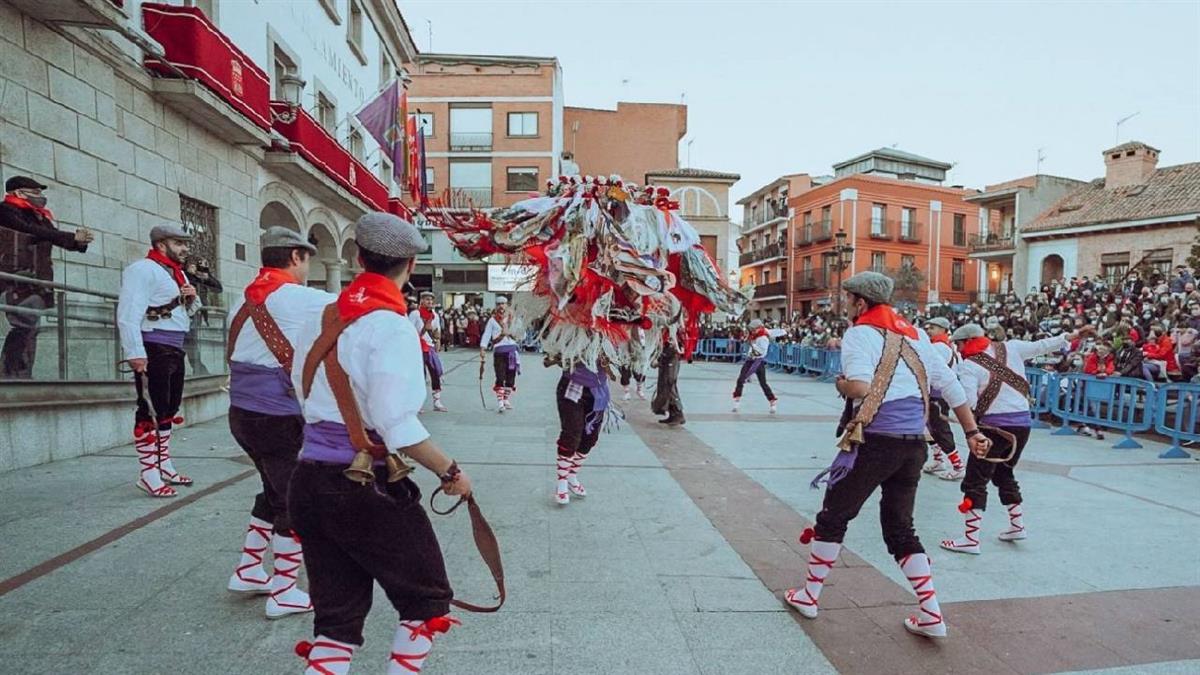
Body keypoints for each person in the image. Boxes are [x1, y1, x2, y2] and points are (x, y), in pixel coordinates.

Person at [289, 212, 472, 674]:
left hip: (308, 481)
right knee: (426, 598)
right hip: (362, 485)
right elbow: (398, 427)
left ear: (356, 258)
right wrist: (451, 472)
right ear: (410, 265)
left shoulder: (323, 314)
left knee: (335, 622)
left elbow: (300, 385)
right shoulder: (392, 327)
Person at [784, 272, 989, 639]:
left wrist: (842, 384)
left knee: (834, 516)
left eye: (849, 301)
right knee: (900, 527)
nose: (847, 307)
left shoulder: (860, 333)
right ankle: (930, 613)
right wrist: (972, 432)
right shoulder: (918, 336)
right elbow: (950, 386)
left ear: (861, 303)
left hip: (876, 442)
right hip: (913, 447)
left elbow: (860, 386)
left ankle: (809, 595)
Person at [224, 227, 333, 619]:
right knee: (294, 501)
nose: (308, 265)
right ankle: (285, 590)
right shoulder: (299, 298)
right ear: (294, 257)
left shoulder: (244, 294)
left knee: (273, 490)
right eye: (306, 258)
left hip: (241, 413)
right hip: (276, 416)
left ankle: (250, 568)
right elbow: (358, 310)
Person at [941, 321, 1093, 556]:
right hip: (1022, 424)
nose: (958, 350)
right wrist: (1071, 335)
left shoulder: (969, 366)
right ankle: (1016, 525)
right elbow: (1042, 346)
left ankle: (970, 539)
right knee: (1004, 472)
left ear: (966, 341)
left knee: (975, 479)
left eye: (959, 345)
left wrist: (953, 414)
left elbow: (968, 403)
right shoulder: (1010, 347)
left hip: (993, 428)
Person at [116, 224, 200, 498]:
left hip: (174, 346)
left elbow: (184, 313)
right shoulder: (142, 269)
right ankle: (148, 472)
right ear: (161, 244)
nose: (185, 248)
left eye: (185, 243)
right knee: (150, 410)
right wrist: (135, 352)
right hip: (153, 345)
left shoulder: (177, 273)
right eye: (178, 243)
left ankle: (164, 464)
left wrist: (190, 299)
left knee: (168, 408)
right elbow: (129, 312)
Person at [0, 175, 94, 378]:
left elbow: (52, 235)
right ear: (18, 193)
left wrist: (78, 243)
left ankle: (21, 373)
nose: (40, 197)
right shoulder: (6, 210)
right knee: (23, 326)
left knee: (30, 327)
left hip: (35, 280)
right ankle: (11, 373)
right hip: (15, 279)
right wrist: (70, 237)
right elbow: (29, 231)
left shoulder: (38, 215)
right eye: (35, 192)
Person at [554, 358, 612, 505]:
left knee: (590, 438)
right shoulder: (572, 334)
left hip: (598, 390)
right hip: (573, 386)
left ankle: (572, 475)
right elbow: (560, 357)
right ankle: (562, 482)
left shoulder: (611, 338)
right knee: (571, 435)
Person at [920, 317, 966, 480]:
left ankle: (957, 465)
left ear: (943, 329)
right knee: (928, 427)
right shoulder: (949, 347)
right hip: (937, 394)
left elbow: (927, 369)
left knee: (939, 429)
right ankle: (938, 458)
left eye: (933, 327)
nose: (929, 330)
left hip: (936, 395)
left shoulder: (939, 347)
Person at [182, 256, 223, 375]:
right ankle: (199, 369)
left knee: (191, 342)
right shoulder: (184, 275)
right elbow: (186, 285)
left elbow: (218, 288)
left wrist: (207, 277)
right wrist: (191, 275)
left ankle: (199, 369)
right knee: (187, 342)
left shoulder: (203, 277)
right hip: (186, 312)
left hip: (197, 314)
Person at [409, 291, 447, 412]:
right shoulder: (415, 314)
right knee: (420, 376)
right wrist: (423, 330)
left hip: (430, 347)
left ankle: (437, 401)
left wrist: (437, 340)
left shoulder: (435, 315)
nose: (429, 302)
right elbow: (408, 331)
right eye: (426, 300)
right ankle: (417, 403)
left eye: (431, 300)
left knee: (435, 373)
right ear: (421, 301)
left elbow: (437, 331)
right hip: (417, 347)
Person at [480, 297, 519, 412]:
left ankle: (506, 399)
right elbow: (487, 335)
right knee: (500, 376)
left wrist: (513, 333)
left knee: (511, 377)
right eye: (499, 304)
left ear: (507, 305)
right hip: (499, 351)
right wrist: (483, 348)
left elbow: (522, 333)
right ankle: (500, 402)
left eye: (503, 303)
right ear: (496, 306)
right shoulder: (492, 320)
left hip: (512, 351)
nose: (501, 306)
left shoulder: (513, 319)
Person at [732, 318, 778, 414]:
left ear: (759, 328)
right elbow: (747, 344)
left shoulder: (764, 338)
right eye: (751, 329)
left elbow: (762, 352)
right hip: (749, 360)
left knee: (763, 383)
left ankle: (772, 401)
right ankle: (736, 400)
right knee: (740, 379)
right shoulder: (753, 336)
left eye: (754, 329)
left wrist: (753, 345)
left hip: (758, 361)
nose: (752, 331)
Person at [652, 324, 686, 426]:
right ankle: (672, 414)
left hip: (672, 355)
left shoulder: (675, 327)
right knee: (664, 384)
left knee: (670, 383)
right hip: (665, 355)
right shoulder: (663, 327)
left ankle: (679, 413)